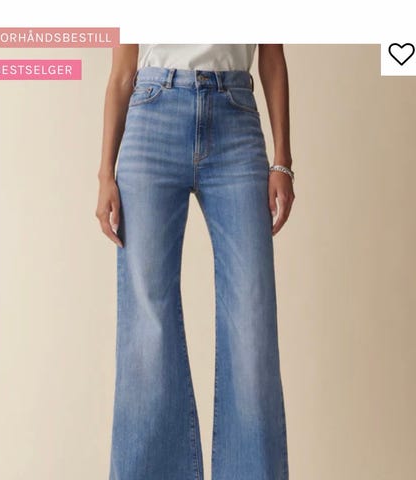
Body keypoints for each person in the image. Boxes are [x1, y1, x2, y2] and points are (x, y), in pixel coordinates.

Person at [96, 44, 295, 480]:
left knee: (252, 322)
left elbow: (273, 56)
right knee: (147, 327)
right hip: (151, 117)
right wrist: (105, 172)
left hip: (235, 117)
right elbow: (122, 71)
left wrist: (282, 161)